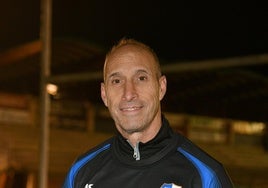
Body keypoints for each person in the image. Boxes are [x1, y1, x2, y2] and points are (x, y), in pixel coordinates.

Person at [63, 38, 234, 188]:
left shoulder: (205, 176)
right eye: (116, 81)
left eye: (141, 78)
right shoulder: (80, 172)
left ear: (161, 87)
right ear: (104, 94)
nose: (129, 93)